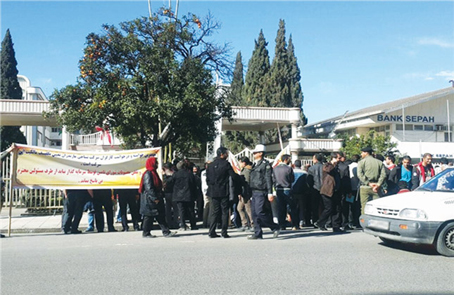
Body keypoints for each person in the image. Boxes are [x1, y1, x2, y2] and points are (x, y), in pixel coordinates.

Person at [247, 144, 280, 240]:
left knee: (260, 212)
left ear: (261, 153)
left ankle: (274, 227)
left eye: (256, 152)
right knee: (254, 214)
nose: (254, 153)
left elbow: (268, 179)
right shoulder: (255, 164)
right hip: (254, 191)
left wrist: (270, 192)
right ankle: (258, 233)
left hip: (262, 191)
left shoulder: (265, 165)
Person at [139, 157, 176, 238]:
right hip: (150, 200)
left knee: (160, 216)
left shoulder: (153, 173)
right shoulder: (148, 174)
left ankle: (166, 231)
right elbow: (149, 188)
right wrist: (154, 198)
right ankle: (146, 233)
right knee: (148, 217)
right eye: (156, 163)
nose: (157, 164)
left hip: (155, 199)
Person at [206, 147, 237, 238]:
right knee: (224, 212)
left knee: (214, 212)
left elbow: (207, 179)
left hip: (213, 191)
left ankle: (211, 231)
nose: (227, 155)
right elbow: (233, 176)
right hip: (223, 190)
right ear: (222, 154)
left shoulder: (210, 165)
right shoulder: (226, 164)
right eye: (226, 153)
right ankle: (224, 231)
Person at [357, 147, 387, 215]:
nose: (361, 154)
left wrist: (368, 183)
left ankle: (364, 222)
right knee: (377, 206)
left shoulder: (361, 162)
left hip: (365, 187)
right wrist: (378, 184)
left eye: (362, 152)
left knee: (364, 206)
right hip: (376, 187)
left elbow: (360, 175)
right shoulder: (379, 162)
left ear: (366, 153)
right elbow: (383, 175)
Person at [170, 161, 198, 231]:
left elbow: (170, 182)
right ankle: (193, 224)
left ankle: (182, 225)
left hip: (178, 195)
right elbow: (194, 184)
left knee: (181, 210)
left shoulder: (175, 174)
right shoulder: (190, 174)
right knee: (191, 210)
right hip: (189, 194)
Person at [272, 154, 297, 230]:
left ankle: (281, 225)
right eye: (289, 159)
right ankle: (294, 224)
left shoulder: (275, 169)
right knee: (291, 207)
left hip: (279, 190)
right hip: (287, 189)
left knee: (281, 208)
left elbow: (273, 180)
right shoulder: (289, 168)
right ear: (286, 159)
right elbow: (292, 179)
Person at [291, 159, 310, 228]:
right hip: (302, 192)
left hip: (293, 192)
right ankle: (301, 221)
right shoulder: (305, 173)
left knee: (294, 207)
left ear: (294, 165)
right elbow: (307, 183)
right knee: (302, 207)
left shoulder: (291, 171)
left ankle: (294, 222)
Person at [307, 153, 324, 227]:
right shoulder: (325, 167)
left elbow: (309, 180)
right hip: (325, 189)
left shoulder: (311, 168)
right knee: (324, 206)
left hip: (315, 189)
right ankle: (323, 221)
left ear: (316, 159)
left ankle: (315, 221)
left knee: (315, 206)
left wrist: (310, 188)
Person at [237, 157, 253, 231]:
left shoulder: (246, 171)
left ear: (244, 163)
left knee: (248, 209)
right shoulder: (244, 170)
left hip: (246, 193)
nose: (239, 164)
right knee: (239, 208)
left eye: (240, 162)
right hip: (243, 193)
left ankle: (253, 224)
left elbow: (246, 183)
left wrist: (244, 192)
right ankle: (245, 223)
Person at [337, 152, 352, 230]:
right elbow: (347, 179)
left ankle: (337, 222)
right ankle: (344, 223)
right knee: (345, 206)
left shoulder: (334, 166)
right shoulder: (345, 167)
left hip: (336, 189)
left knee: (337, 206)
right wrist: (349, 191)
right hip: (344, 188)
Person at [162, 162, 178, 229]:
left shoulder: (173, 175)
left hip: (172, 193)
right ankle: (171, 222)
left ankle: (173, 223)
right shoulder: (167, 175)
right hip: (169, 193)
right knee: (169, 209)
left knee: (173, 209)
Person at [348, 154, 361, 228]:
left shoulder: (349, 166)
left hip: (350, 188)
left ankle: (350, 221)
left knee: (350, 205)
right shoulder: (359, 166)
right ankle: (356, 221)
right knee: (357, 206)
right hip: (357, 188)